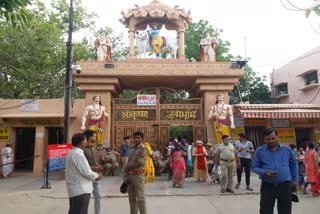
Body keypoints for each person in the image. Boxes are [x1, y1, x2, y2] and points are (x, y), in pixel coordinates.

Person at [252, 128, 298, 214]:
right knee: (265, 210)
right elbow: (254, 167)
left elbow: (293, 165)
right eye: (268, 139)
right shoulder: (260, 151)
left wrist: (295, 179)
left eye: (273, 138)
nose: (271, 141)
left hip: (285, 185)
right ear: (264, 139)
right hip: (267, 186)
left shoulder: (287, 150)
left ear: (277, 137)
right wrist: (264, 172)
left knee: (285, 210)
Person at [65, 133, 102, 214]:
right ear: (82, 142)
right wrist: (97, 176)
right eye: (85, 140)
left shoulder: (73, 152)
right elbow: (86, 172)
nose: (86, 141)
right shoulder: (78, 154)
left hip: (76, 189)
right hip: (81, 190)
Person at [124, 131, 148, 214]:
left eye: (138, 138)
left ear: (142, 139)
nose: (136, 139)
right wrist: (126, 175)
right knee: (132, 198)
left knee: (141, 198)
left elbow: (139, 163)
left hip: (138, 175)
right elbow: (129, 161)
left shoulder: (143, 149)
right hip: (130, 176)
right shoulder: (131, 148)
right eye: (135, 137)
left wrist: (127, 167)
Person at [83, 130, 103, 214]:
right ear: (89, 137)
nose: (95, 138)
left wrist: (98, 166)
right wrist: (94, 168)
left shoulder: (93, 147)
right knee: (85, 198)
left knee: (98, 196)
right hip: (86, 176)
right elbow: (82, 165)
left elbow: (94, 160)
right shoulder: (82, 149)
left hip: (94, 175)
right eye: (94, 136)